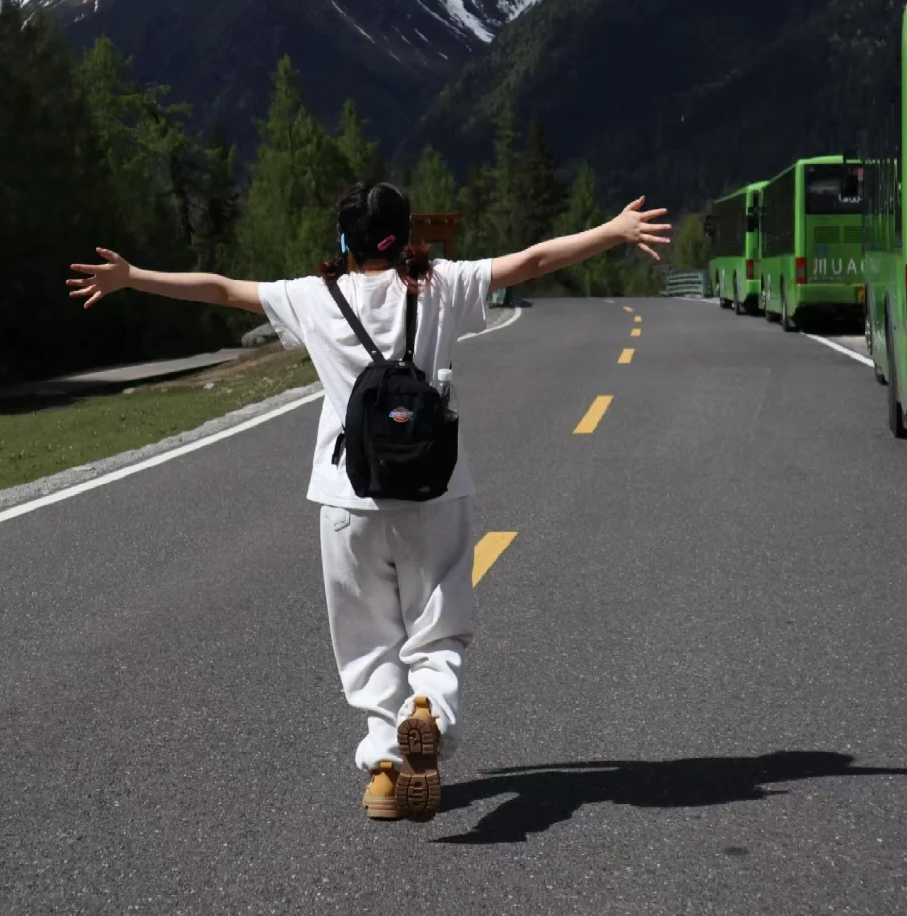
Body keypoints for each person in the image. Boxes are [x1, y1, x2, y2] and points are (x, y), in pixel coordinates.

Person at [68, 182, 670, 823]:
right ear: (407, 235)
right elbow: (532, 261)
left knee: (366, 635)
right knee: (436, 624)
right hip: (434, 490)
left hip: (346, 495)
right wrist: (611, 231)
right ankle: (428, 712)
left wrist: (133, 276)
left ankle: (384, 772)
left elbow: (221, 288)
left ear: (343, 241)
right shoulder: (441, 285)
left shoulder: (311, 297)